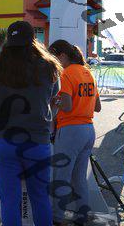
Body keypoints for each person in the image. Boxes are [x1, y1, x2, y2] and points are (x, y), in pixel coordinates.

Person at [0, 21, 62, 226]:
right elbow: (53, 93)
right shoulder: (49, 66)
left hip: (4, 141)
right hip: (38, 141)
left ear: (9, 40)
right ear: (33, 39)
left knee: (9, 200)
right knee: (40, 197)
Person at [48, 39, 102, 225]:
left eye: (54, 59)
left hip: (70, 130)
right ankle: (82, 215)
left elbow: (67, 106)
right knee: (79, 178)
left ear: (62, 56)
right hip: (88, 130)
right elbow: (98, 107)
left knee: (61, 176)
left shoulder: (67, 74)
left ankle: (57, 217)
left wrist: (55, 101)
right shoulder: (88, 73)